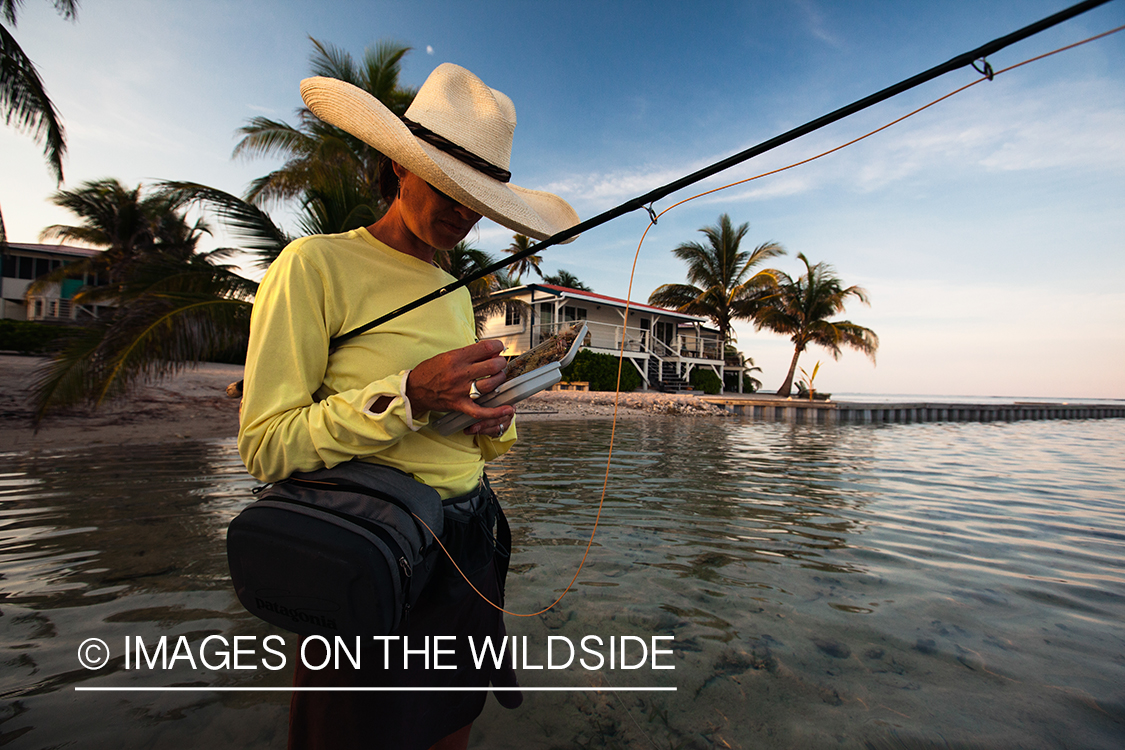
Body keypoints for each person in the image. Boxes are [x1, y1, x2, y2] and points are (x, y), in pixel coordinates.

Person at [237, 63, 579, 750]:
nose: (462, 210)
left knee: (451, 729)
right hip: (370, 545)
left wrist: (492, 418)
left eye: (476, 198)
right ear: (396, 165)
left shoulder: (455, 292)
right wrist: (409, 393)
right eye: (446, 187)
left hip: (466, 542)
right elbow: (265, 445)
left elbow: (453, 434)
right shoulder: (313, 266)